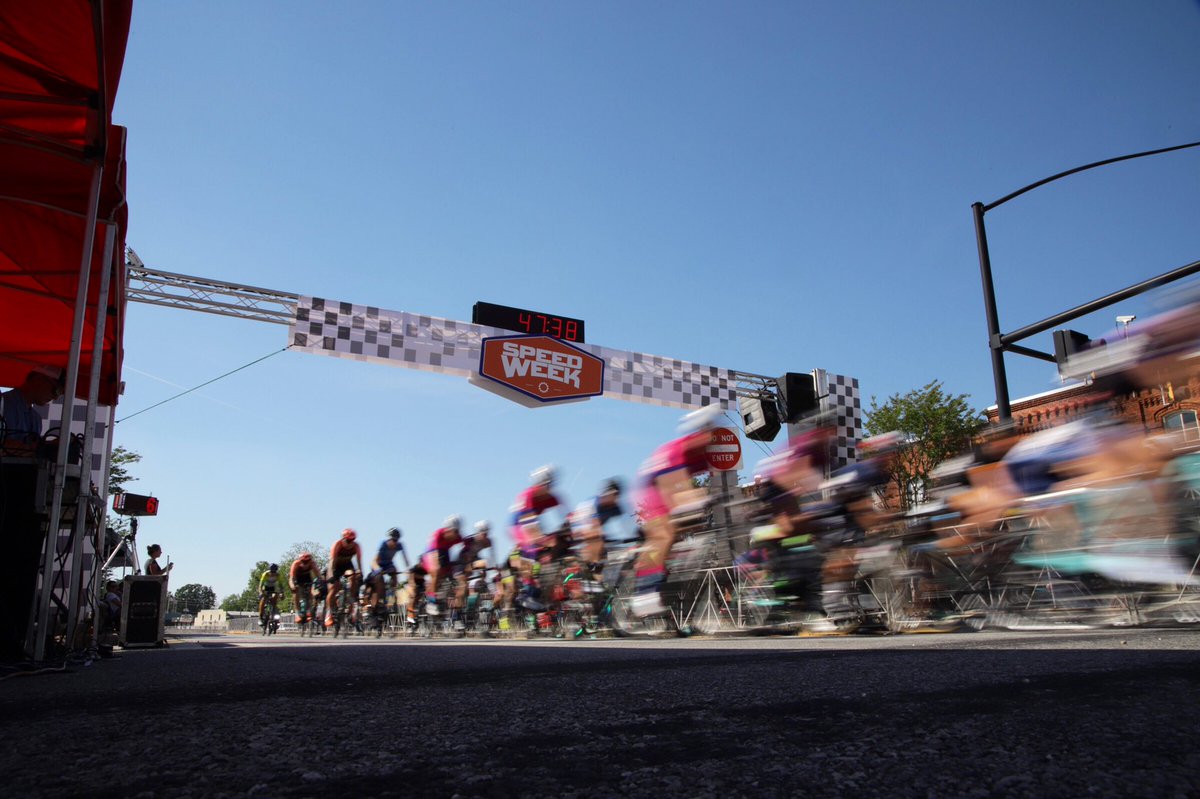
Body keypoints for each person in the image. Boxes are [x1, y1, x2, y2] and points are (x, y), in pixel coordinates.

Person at [631, 404, 722, 617]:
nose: (710, 437)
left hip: (671, 488)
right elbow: (674, 486)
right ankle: (646, 588)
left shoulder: (703, 454)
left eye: (713, 431)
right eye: (707, 432)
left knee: (693, 524)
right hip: (650, 490)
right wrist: (695, 501)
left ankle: (672, 571)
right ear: (697, 432)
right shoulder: (676, 451)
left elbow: (708, 483)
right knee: (666, 533)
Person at [0, 364, 64, 451]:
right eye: (56, 390)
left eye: (60, 393)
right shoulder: (2, 404)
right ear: (38, 379)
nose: (56, 397)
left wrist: (48, 447)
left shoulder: (36, 419)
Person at [422, 515, 464, 615]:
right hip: (431, 552)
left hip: (444, 552)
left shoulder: (458, 537)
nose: (457, 534)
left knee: (451, 574)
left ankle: (444, 598)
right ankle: (431, 600)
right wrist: (437, 566)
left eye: (458, 531)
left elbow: (466, 547)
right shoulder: (438, 534)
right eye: (455, 532)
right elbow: (435, 555)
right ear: (448, 530)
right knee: (437, 570)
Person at [325, 529, 364, 628]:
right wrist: (331, 575)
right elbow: (332, 561)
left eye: (352, 540)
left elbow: (359, 561)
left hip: (347, 565)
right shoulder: (337, 545)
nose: (350, 543)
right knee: (333, 588)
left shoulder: (356, 546)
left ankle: (350, 596)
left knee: (353, 575)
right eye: (347, 541)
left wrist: (360, 573)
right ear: (343, 539)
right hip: (336, 566)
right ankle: (329, 613)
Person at [289, 552, 321, 624]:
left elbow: (318, 575)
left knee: (311, 592)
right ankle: (297, 612)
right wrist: (293, 586)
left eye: (307, 561)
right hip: (296, 578)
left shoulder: (312, 563)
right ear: (300, 560)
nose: (305, 563)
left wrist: (321, 582)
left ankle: (309, 610)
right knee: (296, 592)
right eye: (303, 561)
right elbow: (291, 578)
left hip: (307, 578)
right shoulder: (296, 564)